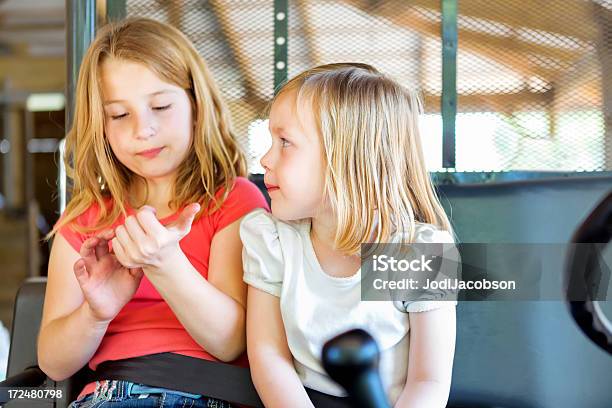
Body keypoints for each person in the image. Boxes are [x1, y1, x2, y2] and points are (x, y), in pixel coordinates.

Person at [38, 17, 268, 408]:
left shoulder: (233, 201)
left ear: (196, 105)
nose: (143, 129)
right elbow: (53, 363)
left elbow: (230, 341)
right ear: (101, 125)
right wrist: (96, 313)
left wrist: (163, 262)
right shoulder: (84, 222)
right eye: (119, 115)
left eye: (160, 106)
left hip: (208, 394)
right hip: (106, 396)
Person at [241, 63, 457, 408]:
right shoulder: (273, 241)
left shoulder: (419, 253)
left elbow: (428, 381)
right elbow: (270, 360)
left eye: (285, 142)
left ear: (346, 156)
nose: (265, 158)